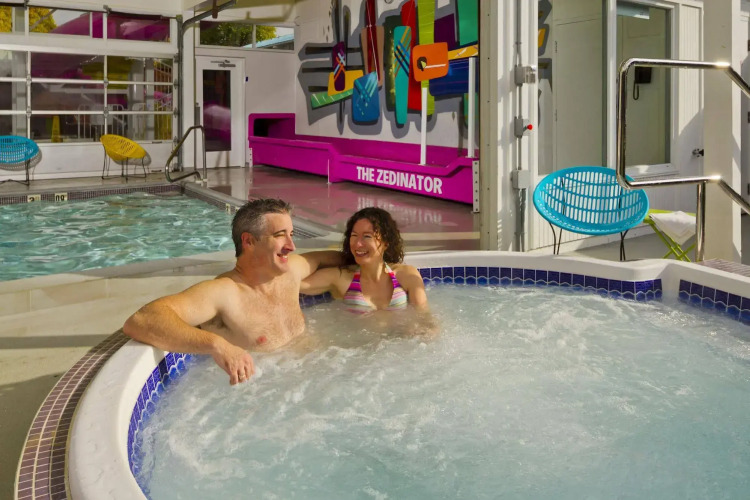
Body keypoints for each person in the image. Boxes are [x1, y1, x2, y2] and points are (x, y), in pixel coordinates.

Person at [122, 198, 342, 385]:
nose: (291, 246)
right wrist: (217, 345)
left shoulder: (291, 271)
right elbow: (143, 319)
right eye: (280, 235)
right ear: (249, 241)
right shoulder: (224, 292)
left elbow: (332, 259)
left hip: (318, 379)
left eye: (291, 234)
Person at [301, 207, 433, 324]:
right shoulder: (340, 278)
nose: (358, 244)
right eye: (354, 235)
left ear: (386, 243)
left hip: (400, 341)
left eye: (367, 236)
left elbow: (425, 318)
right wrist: (320, 258)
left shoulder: (406, 275)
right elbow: (293, 282)